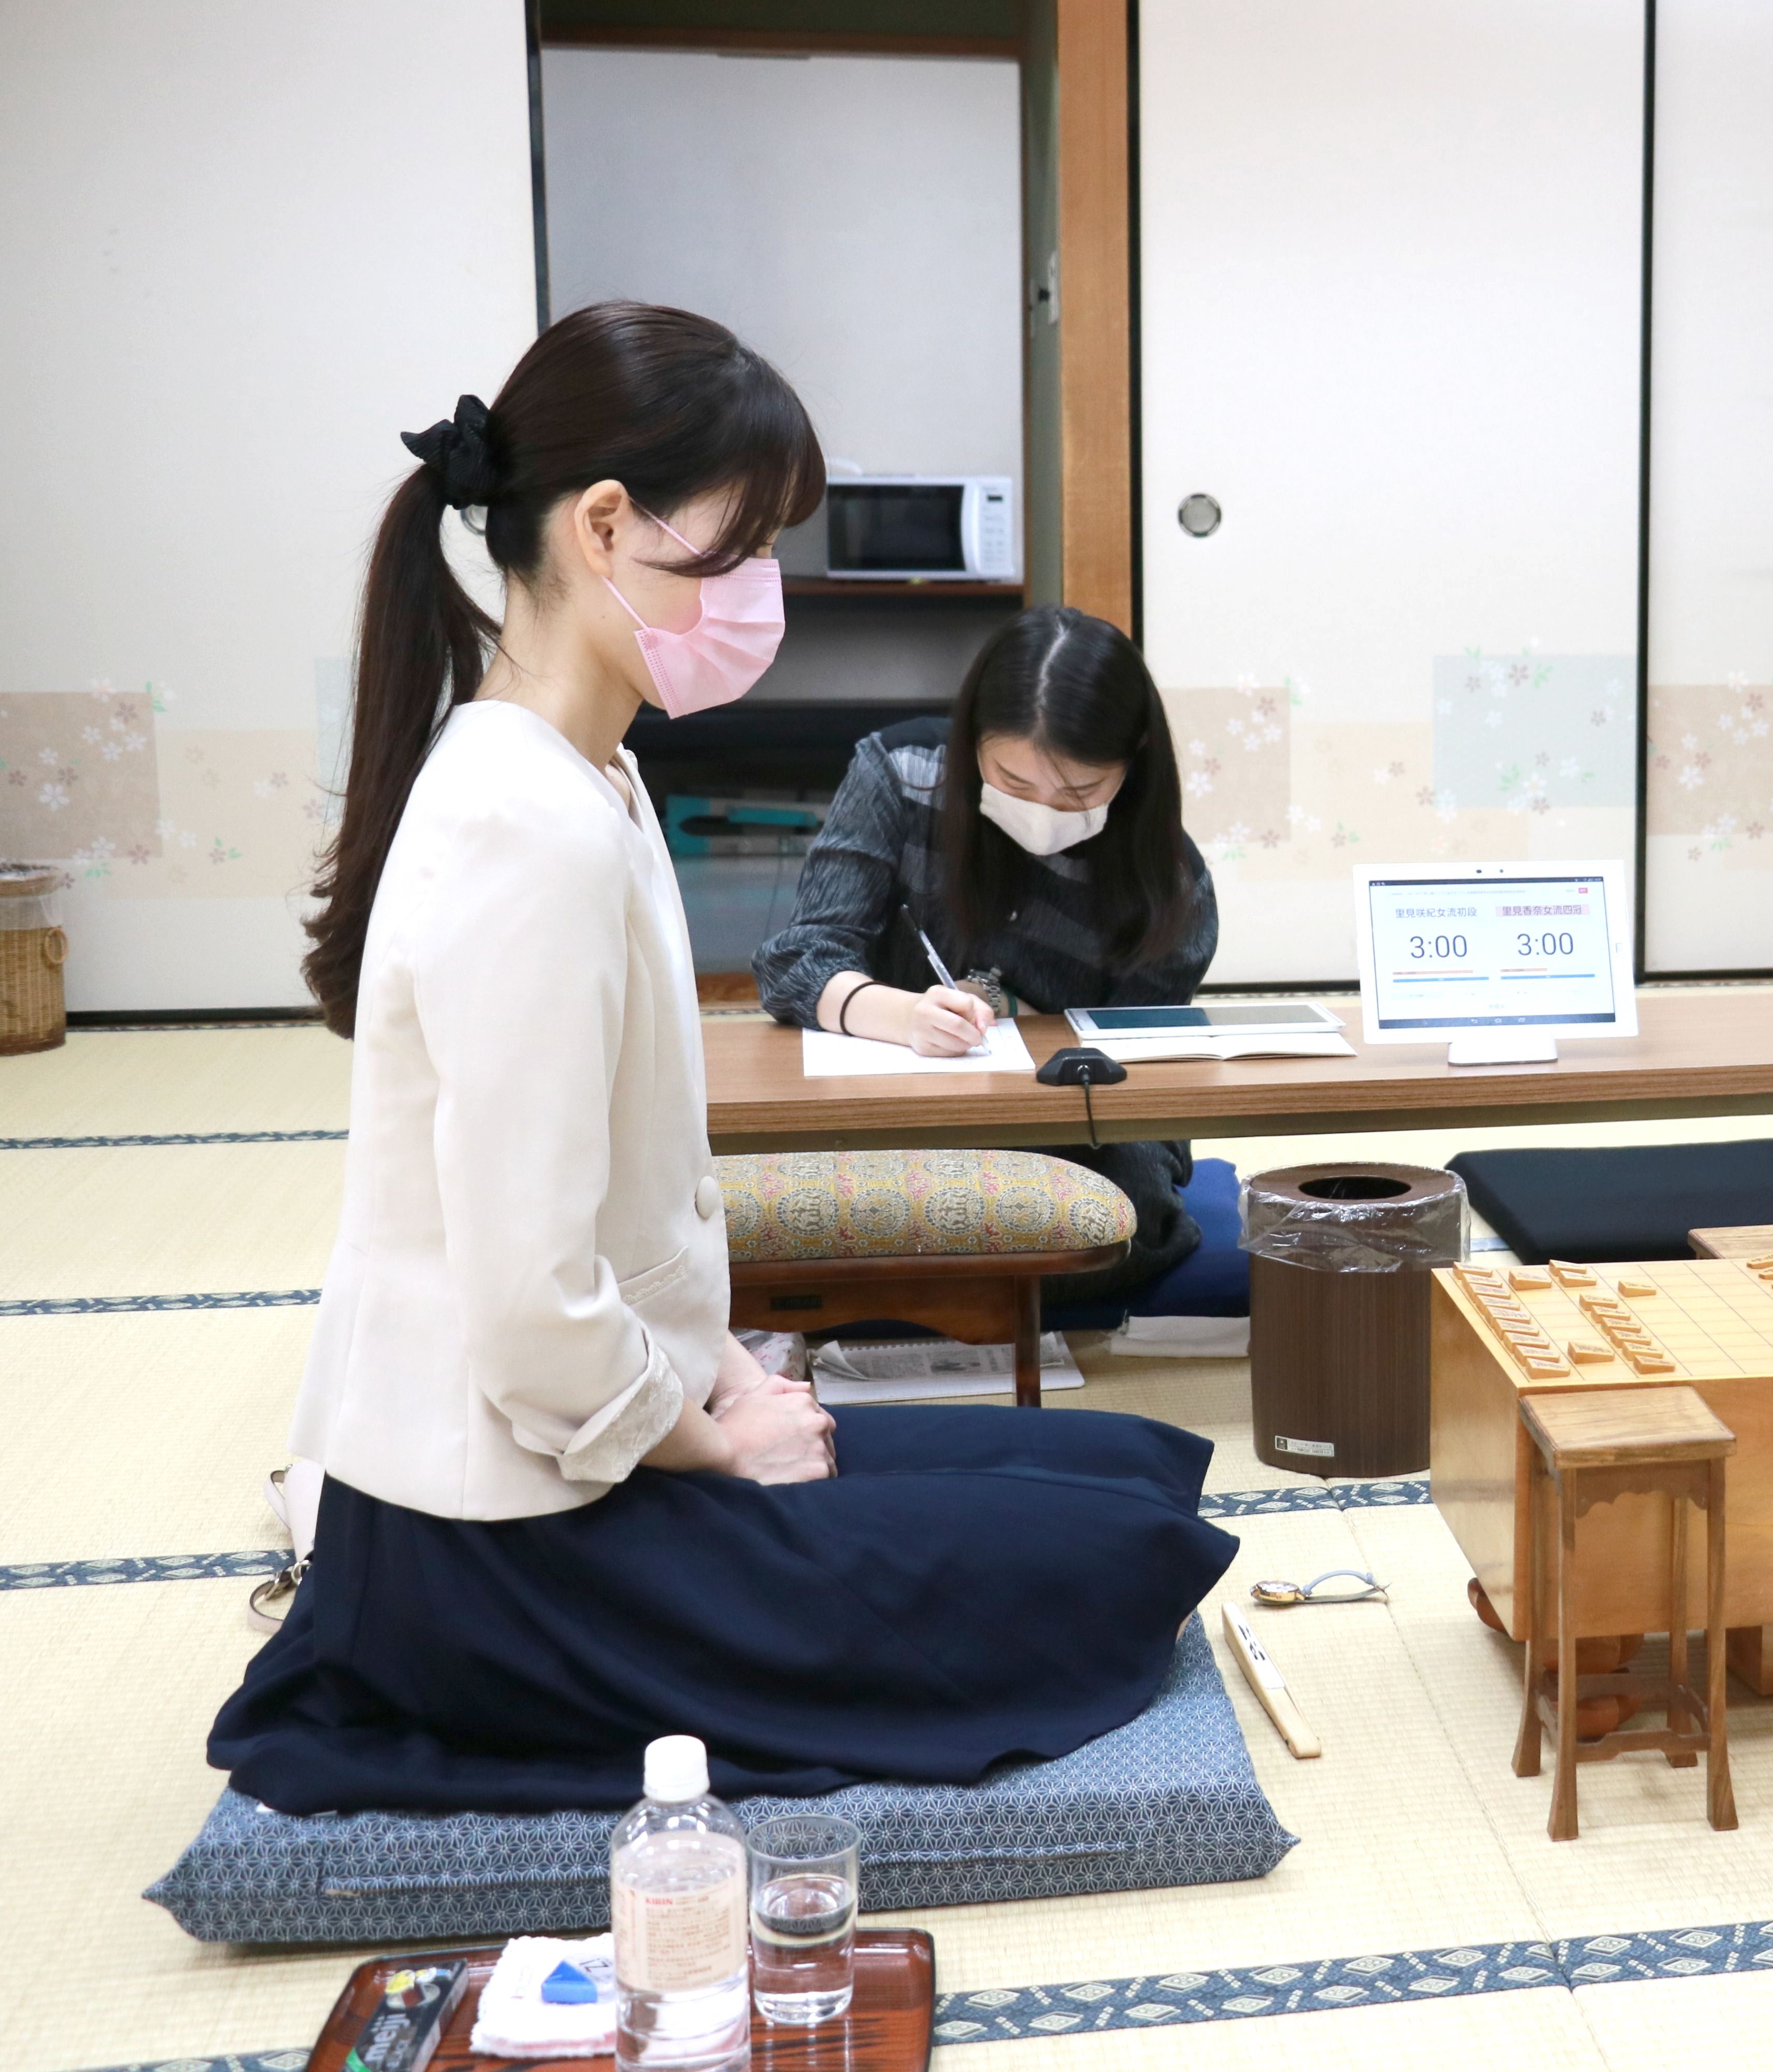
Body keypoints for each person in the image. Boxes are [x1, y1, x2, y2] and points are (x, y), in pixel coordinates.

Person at [212, 303, 1235, 1814]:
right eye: (741, 548)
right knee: (1122, 1554)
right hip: (505, 1533)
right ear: (605, 526)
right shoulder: (525, 824)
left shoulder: (593, 774)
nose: (763, 593)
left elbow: (607, 1234)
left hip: (592, 1438)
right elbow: (529, 1301)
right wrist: (714, 1442)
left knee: (1131, 1467)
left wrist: (725, 1379)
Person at [755, 608, 1216, 1304]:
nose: (1044, 811)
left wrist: (1024, 1031)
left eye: (1080, 792)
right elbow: (798, 959)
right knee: (784, 1205)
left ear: (1136, 757)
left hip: (1068, 1128)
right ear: (972, 736)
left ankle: (913, 1288)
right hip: (890, 1099)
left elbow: (1138, 1083)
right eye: (1014, 781)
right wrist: (903, 1015)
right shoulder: (901, 774)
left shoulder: (1169, 880)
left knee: (1119, 1222)